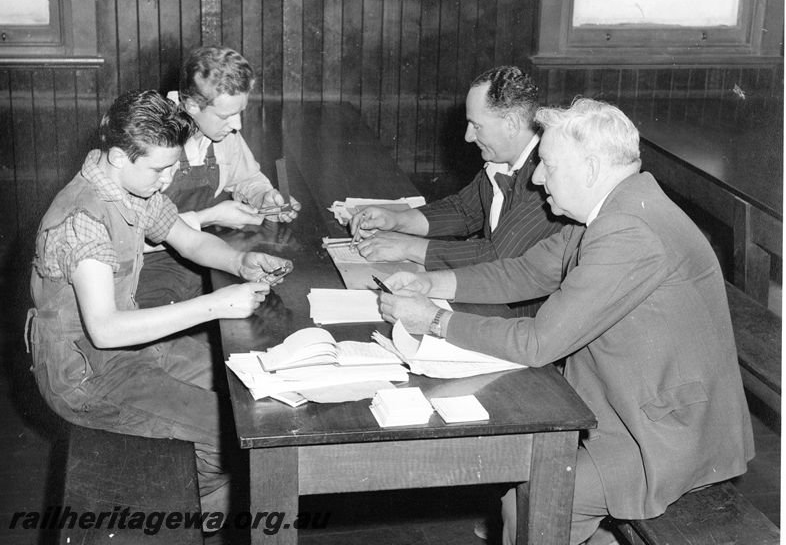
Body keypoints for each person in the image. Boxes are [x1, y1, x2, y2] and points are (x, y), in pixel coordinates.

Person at [378, 98, 754, 545]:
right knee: (526, 479)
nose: (536, 178)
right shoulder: (613, 207)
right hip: (626, 401)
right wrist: (432, 284)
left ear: (590, 168)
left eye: (548, 165)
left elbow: (538, 341)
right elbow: (527, 270)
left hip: (664, 434)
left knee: (534, 495)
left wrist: (435, 321)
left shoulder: (628, 231)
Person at [26, 90, 292, 527]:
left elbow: (188, 239)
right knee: (233, 437)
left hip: (129, 353)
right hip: (85, 376)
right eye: (161, 167)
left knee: (248, 375)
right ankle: (177, 519)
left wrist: (240, 262)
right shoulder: (82, 218)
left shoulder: (132, 186)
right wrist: (215, 305)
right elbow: (106, 330)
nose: (168, 179)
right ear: (117, 156)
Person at [349, 67, 562, 294]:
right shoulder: (502, 159)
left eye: (477, 126)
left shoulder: (545, 177)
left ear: (511, 123)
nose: (468, 136)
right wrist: (396, 220)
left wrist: (408, 247)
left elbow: (497, 258)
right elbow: (463, 209)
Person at [136, 45, 301, 308]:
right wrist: (213, 215)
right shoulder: (154, 140)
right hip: (147, 264)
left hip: (202, 250)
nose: (238, 125)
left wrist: (264, 196)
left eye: (240, 112)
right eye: (226, 115)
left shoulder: (220, 130)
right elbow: (133, 236)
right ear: (191, 105)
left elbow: (247, 177)